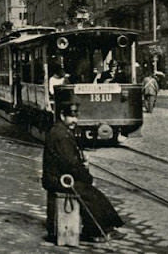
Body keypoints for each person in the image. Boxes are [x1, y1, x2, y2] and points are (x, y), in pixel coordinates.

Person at [42, 101, 124, 243]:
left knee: (92, 193)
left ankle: (100, 228)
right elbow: (71, 164)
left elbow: (70, 161)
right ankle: (98, 231)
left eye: (76, 116)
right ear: (62, 115)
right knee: (90, 194)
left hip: (60, 177)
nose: (75, 120)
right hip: (58, 180)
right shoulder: (61, 135)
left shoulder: (61, 130)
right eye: (72, 117)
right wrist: (87, 176)